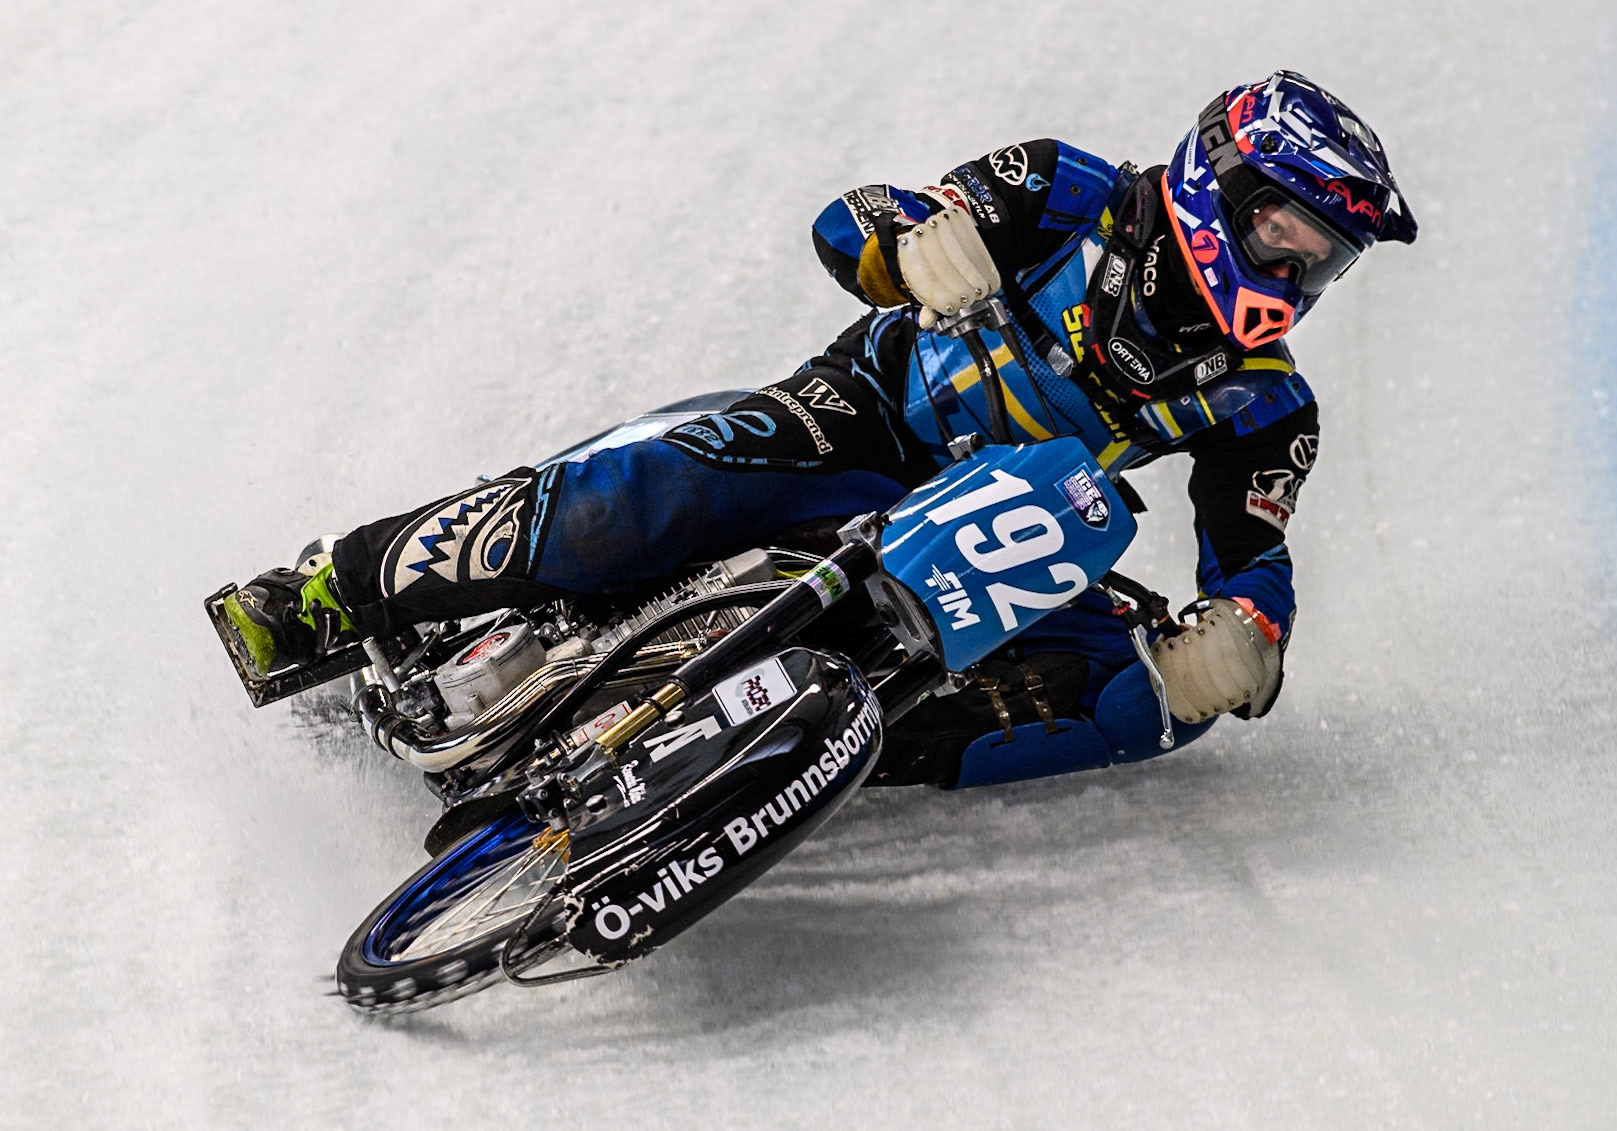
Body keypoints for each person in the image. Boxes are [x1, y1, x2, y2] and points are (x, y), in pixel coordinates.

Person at [222, 71, 1416, 788]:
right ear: (1220, 183)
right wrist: (909, 246)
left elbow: (1252, 565)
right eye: (1286, 231)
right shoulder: (1067, 191)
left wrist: (1244, 647)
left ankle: (800, 765)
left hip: (994, 541)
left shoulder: (1268, 403)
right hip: (864, 422)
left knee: (1140, 708)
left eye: (1325, 257)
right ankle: (328, 589)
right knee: (648, 498)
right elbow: (852, 221)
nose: (1298, 268)